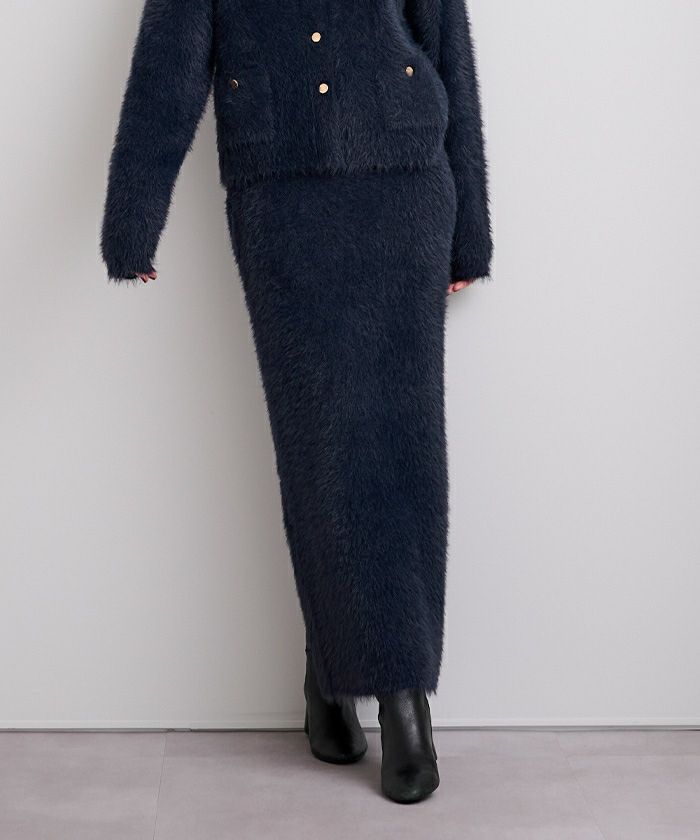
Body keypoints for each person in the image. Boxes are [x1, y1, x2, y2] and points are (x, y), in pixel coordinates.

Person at [101, 0, 492, 804]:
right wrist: (133, 218)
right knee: (322, 451)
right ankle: (334, 676)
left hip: (405, 188)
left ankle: (401, 698)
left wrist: (471, 232)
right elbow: (169, 69)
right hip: (282, 199)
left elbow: (447, 44)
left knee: (403, 444)